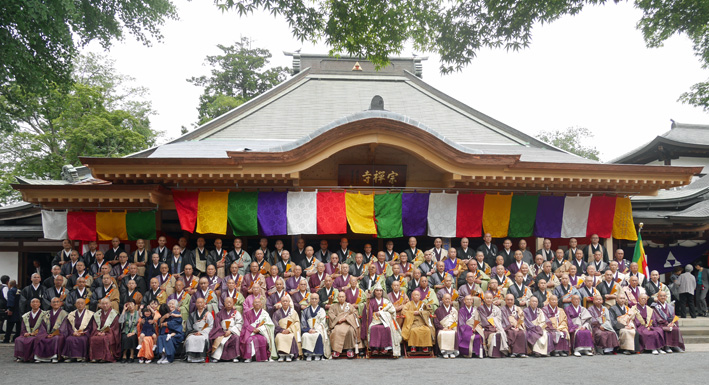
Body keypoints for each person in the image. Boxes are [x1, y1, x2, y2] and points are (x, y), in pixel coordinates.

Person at [361, 282, 401, 357]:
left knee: (387, 328)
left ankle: (386, 347)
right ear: (374, 292)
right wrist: (367, 303)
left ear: (382, 292)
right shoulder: (371, 301)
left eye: (380, 291)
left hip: (385, 321)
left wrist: (382, 313)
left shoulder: (386, 301)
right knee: (373, 328)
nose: (379, 292)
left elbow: (392, 311)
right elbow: (367, 312)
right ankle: (375, 348)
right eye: (377, 290)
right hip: (375, 320)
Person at [239, 297, 276, 362]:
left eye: (258, 302)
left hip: (261, 333)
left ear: (261, 304)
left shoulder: (265, 314)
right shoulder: (248, 313)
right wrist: (253, 329)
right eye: (255, 302)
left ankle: (263, 358)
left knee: (263, 339)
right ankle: (249, 357)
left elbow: (269, 325)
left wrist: (259, 329)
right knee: (249, 340)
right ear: (252, 304)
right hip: (250, 332)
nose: (257, 304)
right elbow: (245, 324)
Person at [209, 296, 243, 362]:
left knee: (236, 338)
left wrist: (230, 331)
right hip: (222, 332)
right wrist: (222, 332)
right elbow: (217, 325)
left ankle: (234, 356)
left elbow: (239, 323)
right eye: (227, 303)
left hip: (232, 332)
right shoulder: (219, 314)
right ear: (224, 303)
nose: (229, 304)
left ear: (233, 303)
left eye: (230, 302)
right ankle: (217, 357)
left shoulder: (236, 313)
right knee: (219, 339)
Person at [327, 292, 361, 358]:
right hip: (338, 324)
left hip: (347, 323)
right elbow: (330, 314)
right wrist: (338, 320)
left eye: (343, 297)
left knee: (351, 330)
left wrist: (346, 319)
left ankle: (350, 349)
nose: (341, 298)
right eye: (340, 297)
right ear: (337, 298)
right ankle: (336, 349)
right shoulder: (333, 306)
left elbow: (355, 314)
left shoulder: (349, 306)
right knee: (336, 331)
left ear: (345, 298)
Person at [474, 292, 508, 358]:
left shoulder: (496, 308)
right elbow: (484, 321)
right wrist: (493, 328)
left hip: (496, 327)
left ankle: (501, 353)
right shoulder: (481, 308)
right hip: (486, 328)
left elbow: (499, 319)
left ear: (493, 299)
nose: (489, 300)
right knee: (494, 334)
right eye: (487, 298)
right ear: (484, 299)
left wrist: (496, 325)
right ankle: (493, 353)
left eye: (490, 298)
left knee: (501, 333)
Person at [401, 289, 435, 354]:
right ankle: (413, 346)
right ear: (412, 297)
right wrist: (412, 313)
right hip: (412, 322)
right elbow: (404, 312)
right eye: (415, 295)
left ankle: (425, 346)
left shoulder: (423, 303)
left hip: (422, 322)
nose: (416, 296)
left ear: (420, 297)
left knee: (427, 330)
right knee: (413, 330)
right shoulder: (408, 304)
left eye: (418, 295)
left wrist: (420, 312)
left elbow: (429, 312)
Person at [62, 297, 94, 362]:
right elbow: (69, 326)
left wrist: (84, 332)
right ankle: (71, 357)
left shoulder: (90, 314)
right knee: (69, 339)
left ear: (85, 304)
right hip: (74, 333)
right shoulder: (71, 314)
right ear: (75, 305)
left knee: (83, 339)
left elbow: (91, 326)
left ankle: (82, 357)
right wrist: (73, 332)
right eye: (78, 303)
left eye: (82, 303)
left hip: (84, 333)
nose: (80, 305)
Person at [89, 297, 121, 363]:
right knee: (93, 338)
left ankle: (105, 357)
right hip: (98, 332)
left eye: (106, 303)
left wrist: (105, 332)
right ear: (100, 305)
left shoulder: (114, 314)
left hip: (110, 333)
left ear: (110, 304)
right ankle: (95, 357)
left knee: (105, 338)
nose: (105, 305)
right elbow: (94, 325)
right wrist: (97, 332)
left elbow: (115, 327)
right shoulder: (97, 314)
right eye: (103, 304)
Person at [300, 292, 330, 360]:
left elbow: (322, 323)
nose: (314, 300)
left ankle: (318, 354)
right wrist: (308, 329)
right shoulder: (305, 310)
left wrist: (316, 330)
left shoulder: (321, 310)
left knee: (318, 335)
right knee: (305, 336)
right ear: (310, 300)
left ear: (318, 300)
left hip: (318, 329)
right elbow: (303, 322)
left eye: (316, 299)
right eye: (312, 299)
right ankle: (308, 354)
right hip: (308, 330)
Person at [184, 297, 214, 363]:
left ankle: (201, 357)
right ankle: (190, 357)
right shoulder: (192, 315)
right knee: (190, 339)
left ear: (204, 304)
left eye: (201, 303)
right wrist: (194, 332)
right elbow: (189, 326)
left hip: (204, 333)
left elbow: (211, 326)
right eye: (198, 303)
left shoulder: (208, 314)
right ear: (196, 304)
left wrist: (201, 332)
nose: (200, 304)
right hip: (194, 332)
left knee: (202, 339)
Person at [273, 295, 300, 362]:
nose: (285, 303)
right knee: (279, 337)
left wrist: (289, 329)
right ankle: (281, 355)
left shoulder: (293, 312)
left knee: (291, 336)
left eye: (286, 301)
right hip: (281, 331)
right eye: (283, 301)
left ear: (289, 302)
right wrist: (282, 330)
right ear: (281, 303)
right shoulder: (277, 313)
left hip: (290, 331)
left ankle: (290, 355)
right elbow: (275, 323)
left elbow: (297, 322)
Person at [156, 299, 184, 363]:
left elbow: (175, 323)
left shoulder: (177, 314)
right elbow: (159, 323)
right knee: (160, 337)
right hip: (166, 332)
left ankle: (169, 358)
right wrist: (163, 317)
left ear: (176, 306)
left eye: (173, 304)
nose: (171, 305)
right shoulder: (165, 313)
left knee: (167, 338)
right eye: (169, 304)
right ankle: (163, 356)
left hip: (176, 333)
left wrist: (165, 324)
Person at [434, 293, 459, 358]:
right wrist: (442, 328)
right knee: (442, 333)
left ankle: (452, 352)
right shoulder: (438, 310)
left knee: (454, 332)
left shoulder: (454, 310)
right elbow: (436, 322)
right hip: (442, 328)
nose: (447, 300)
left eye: (449, 299)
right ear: (442, 300)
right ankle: (444, 352)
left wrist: (451, 327)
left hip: (452, 328)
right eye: (446, 299)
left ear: (451, 300)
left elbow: (456, 320)